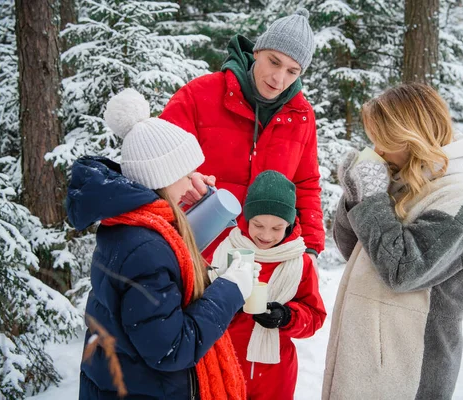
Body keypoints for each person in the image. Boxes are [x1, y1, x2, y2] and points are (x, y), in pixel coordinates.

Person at [66, 88, 260, 399]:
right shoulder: (145, 247)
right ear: (162, 176)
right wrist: (230, 289)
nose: (191, 181)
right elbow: (171, 348)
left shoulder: (131, 225)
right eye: (185, 174)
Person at [322, 83, 463, 400]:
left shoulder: (457, 193)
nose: (378, 149)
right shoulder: (404, 178)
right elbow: (351, 248)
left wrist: (371, 198)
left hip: (410, 363)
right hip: (367, 350)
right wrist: (355, 194)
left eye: (384, 139)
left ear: (411, 134)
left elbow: (404, 270)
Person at [159, 8, 324, 267]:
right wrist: (188, 178)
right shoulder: (200, 94)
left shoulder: (301, 116)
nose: (279, 79)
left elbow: (306, 184)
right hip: (196, 252)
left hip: (264, 261)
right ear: (257, 51)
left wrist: (311, 247)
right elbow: (157, 158)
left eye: (292, 71)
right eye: (274, 61)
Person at [210, 171, 326, 400]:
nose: (265, 235)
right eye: (258, 224)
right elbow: (201, 299)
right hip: (225, 362)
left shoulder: (298, 262)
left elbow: (315, 316)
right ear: (247, 218)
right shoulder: (227, 248)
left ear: (289, 224)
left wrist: (286, 317)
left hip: (275, 373)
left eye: (276, 228)